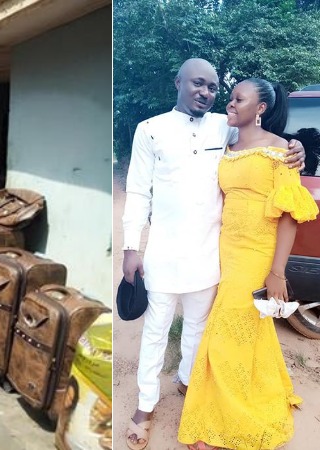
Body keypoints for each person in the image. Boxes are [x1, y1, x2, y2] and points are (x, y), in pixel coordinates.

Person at [122, 59, 305, 450]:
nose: (207, 93)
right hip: (165, 254)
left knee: (199, 330)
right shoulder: (150, 130)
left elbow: (271, 140)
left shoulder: (226, 126)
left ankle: (193, 386)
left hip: (212, 257)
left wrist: (297, 146)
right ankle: (145, 406)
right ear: (179, 82)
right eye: (198, 84)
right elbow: (138, 192)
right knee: (155, 331)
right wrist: (130, 247)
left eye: (214, 87)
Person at [177, 79, 318, 449]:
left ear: (260, 109)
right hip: (224, 249)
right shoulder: (227, 145)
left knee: (226, 331)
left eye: (239, 98)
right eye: (231, 97)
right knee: (248, 329)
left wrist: (276, 272)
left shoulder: (281, 150)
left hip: (256, 253)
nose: (230, 102)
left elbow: (288, 215)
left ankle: (223, 420)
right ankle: (253, 393)